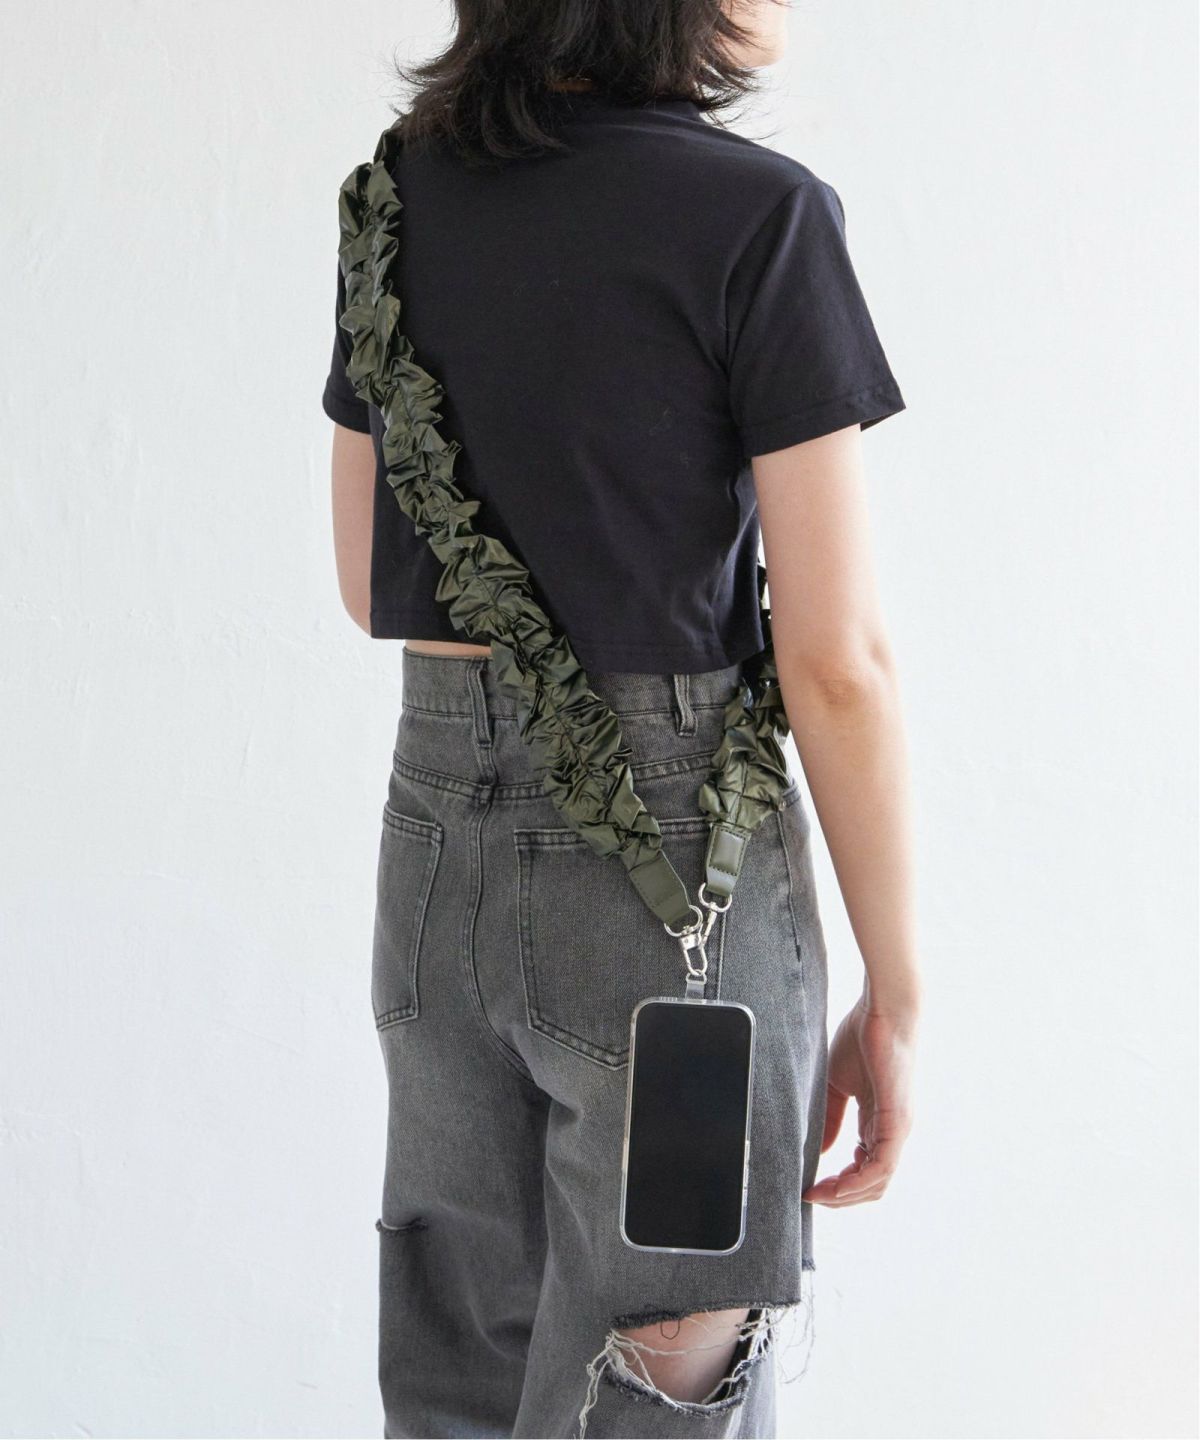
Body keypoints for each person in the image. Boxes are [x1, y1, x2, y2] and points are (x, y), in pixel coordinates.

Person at [323, 2, 922, 1434]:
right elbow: (838, 661)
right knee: (662, 1379)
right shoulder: (761, 217)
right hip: (669, 876)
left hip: (435, 861)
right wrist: (896, 991)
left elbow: (366, 581)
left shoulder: (397, 199)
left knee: (459, 1363)